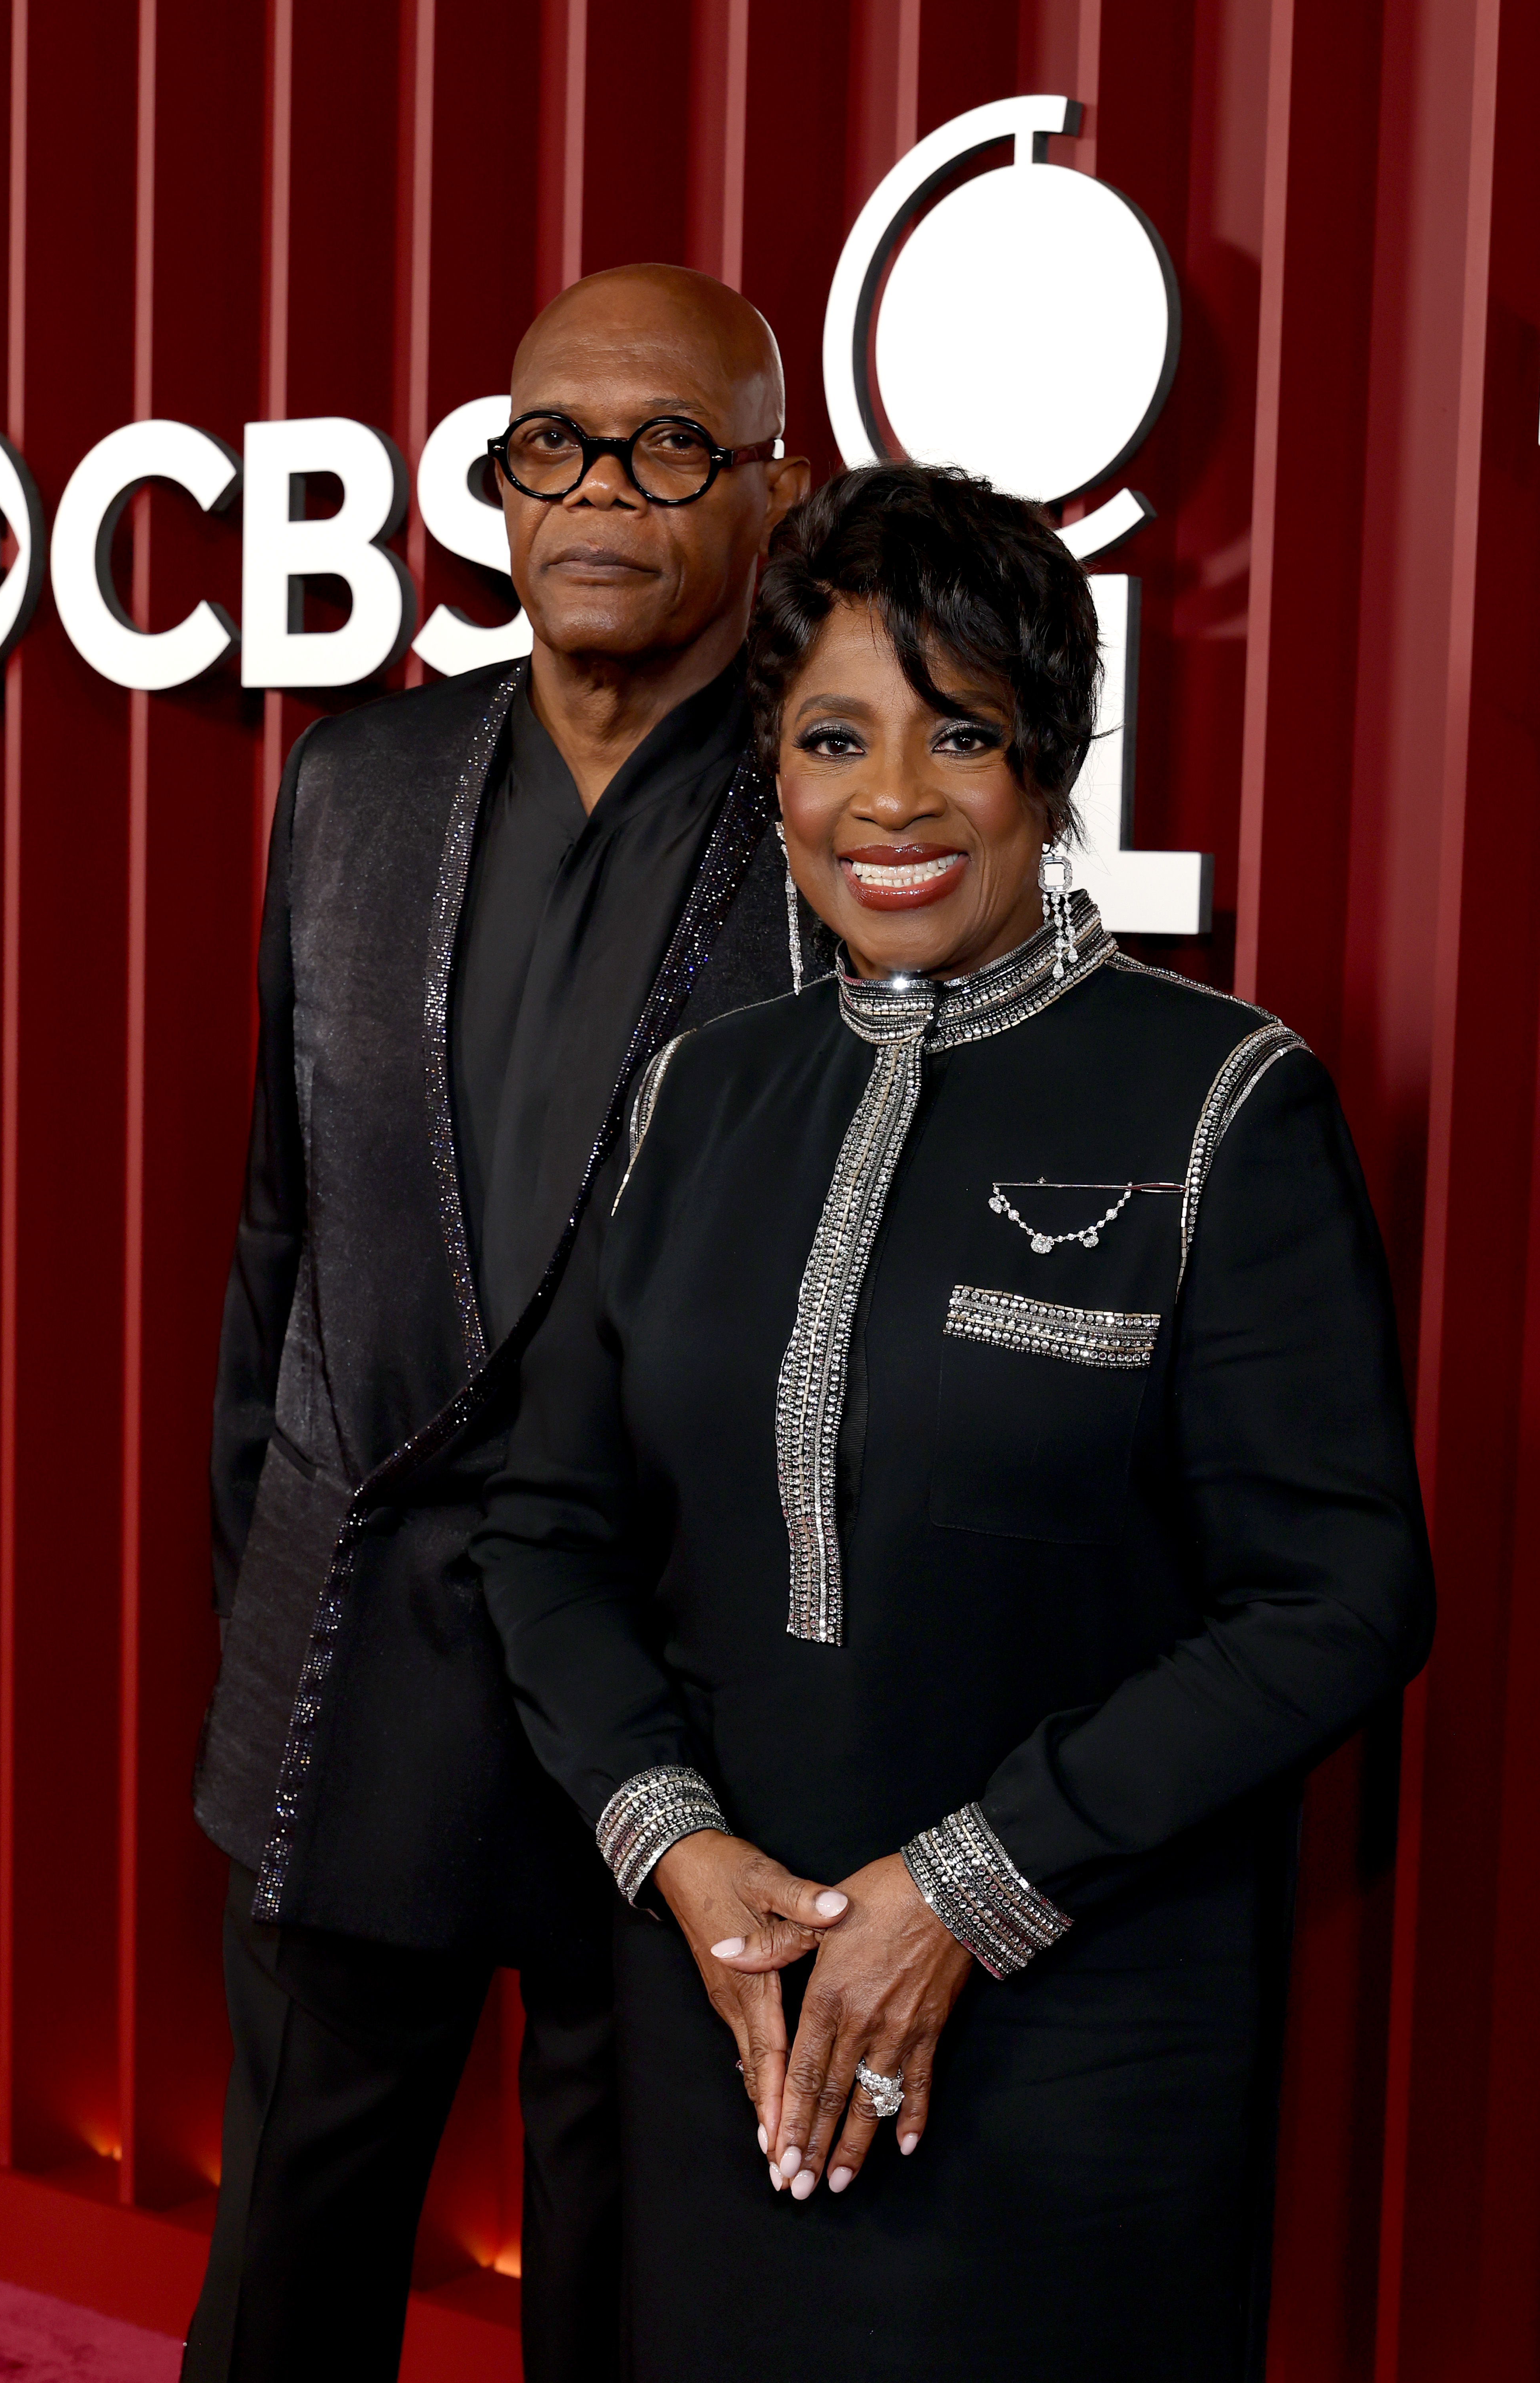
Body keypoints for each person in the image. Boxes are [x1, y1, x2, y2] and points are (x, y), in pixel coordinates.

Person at [477, 462, 1436, 2382]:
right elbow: (543, 1530)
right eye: (834, 737)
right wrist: (673, 1849)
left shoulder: (1220, 1104)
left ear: (1050, 757)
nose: (890, 802)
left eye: (960, 735)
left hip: (1075, 2057)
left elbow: (1337, 1597)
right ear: (773, 768)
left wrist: (966, 1888)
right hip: (726, 2031)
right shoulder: (696, 1099)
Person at [180, 264, 812, 2383]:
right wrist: (252, 1572)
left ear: (766, 488)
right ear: (499, 481)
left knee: (631, 2287)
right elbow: (285, 1228)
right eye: (550, 445)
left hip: (676, 1703)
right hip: (355, 1656)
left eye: (662, 446)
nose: (598, 494)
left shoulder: (842, 814)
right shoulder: (357, 783)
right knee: (290, 2263)